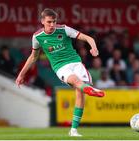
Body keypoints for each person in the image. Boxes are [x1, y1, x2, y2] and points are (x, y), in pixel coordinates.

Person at [15, 8, 105, 137]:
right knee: (75, 81)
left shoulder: (64, 29)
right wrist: (21, 75)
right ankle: (89, 89)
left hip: (76, 63)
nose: (52, 25)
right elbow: (33, 57)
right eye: (49, 22)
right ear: (42, 21)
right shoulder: (37, 37)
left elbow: (88, 38)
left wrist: (94, 48)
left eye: (54, 22)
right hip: (61, 67)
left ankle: (73, 130)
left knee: (79, 92)